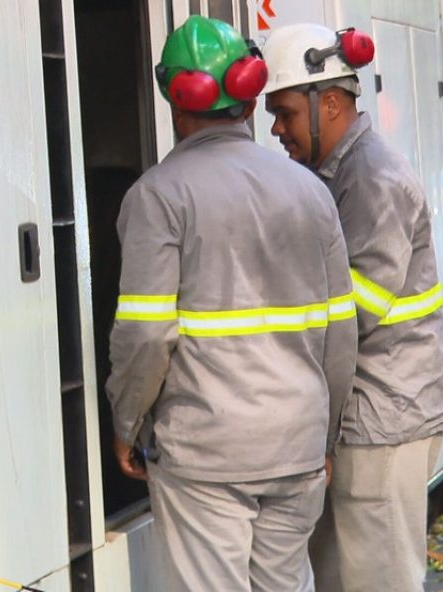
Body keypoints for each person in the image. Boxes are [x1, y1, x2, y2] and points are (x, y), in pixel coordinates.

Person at [105, 16, 358, 591]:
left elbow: (145, 337)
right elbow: (340, 337)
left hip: (206, 456)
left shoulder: (158, 197)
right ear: (247, 100)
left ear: (175, 99)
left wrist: (127, 421)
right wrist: (325, 437)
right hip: (296, 447)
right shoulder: (311, 192)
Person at [263, 23, 443, 592]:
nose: (276, 129)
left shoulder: (372, 180)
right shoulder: (334, 175)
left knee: (380, 581)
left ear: (330, 103)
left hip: (384, 419)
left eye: (286, 113)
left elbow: (349, 316)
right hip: (367, 415)